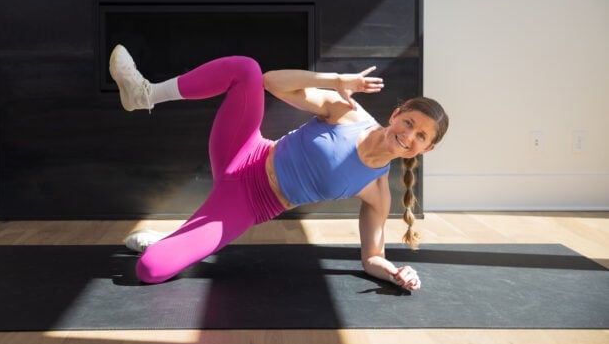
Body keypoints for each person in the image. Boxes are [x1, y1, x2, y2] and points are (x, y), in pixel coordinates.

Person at [109, 44, 448, 291]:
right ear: (395, 115)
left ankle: (167, 243)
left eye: (420, 136)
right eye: (408, 122)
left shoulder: (377, 191)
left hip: (248, 204)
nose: (408, 135)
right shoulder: (349, 113)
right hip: (244, 152)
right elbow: (271, 82)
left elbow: (371, 256)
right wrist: (333, 81)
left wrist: (394, 272)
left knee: (150, 269)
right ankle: (145, 94)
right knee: (247, 69)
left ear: (427, 149)